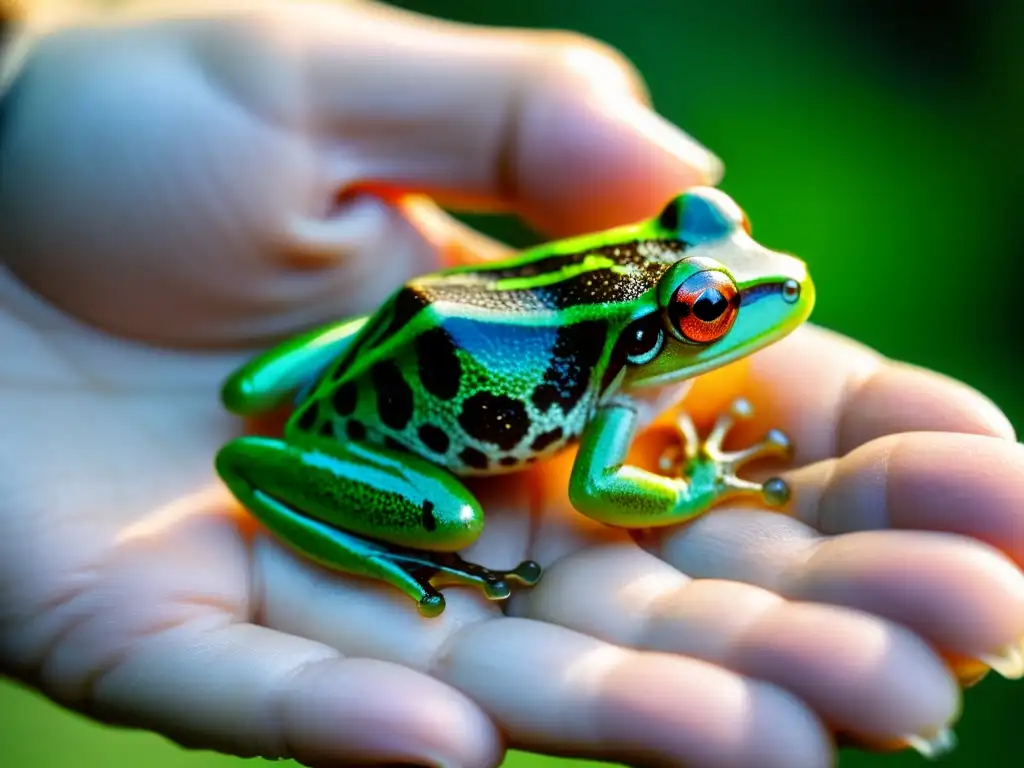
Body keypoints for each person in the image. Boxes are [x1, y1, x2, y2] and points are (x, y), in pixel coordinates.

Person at [1, 2, 1022, 767]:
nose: (771, 277)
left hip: (397, 333)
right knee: (445, 518)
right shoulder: (615, 387)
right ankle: (390, 551)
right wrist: (701, 483)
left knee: (285, 414)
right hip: (386, 443)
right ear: (658, 324)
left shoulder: (624, 311)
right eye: (709, 308)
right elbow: (598, 490)